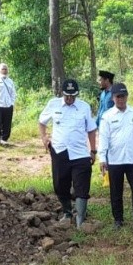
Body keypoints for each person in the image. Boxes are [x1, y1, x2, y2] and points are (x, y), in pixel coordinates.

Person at [39, 78, 97, 227]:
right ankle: (67, 212)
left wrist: (93, 150)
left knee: (82, 186)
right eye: (67, 96)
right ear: (62, 93)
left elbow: (91, 129)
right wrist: (44, 138)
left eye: (73, 96)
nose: (70, 99)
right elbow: (42, 122)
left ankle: (80, 221)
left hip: (80, 153)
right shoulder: (53, 104)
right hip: (60, 151)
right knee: (60, 185)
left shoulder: (84, 107)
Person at [98, 82, 133, 231]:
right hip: (115, 160)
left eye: (123, 96)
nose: (121, 99)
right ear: (113, 98)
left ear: (127, 97)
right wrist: (102, 158)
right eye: (118, 97)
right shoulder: (107, 116)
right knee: (116, 191)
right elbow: (103, 138)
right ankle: (118, 220)